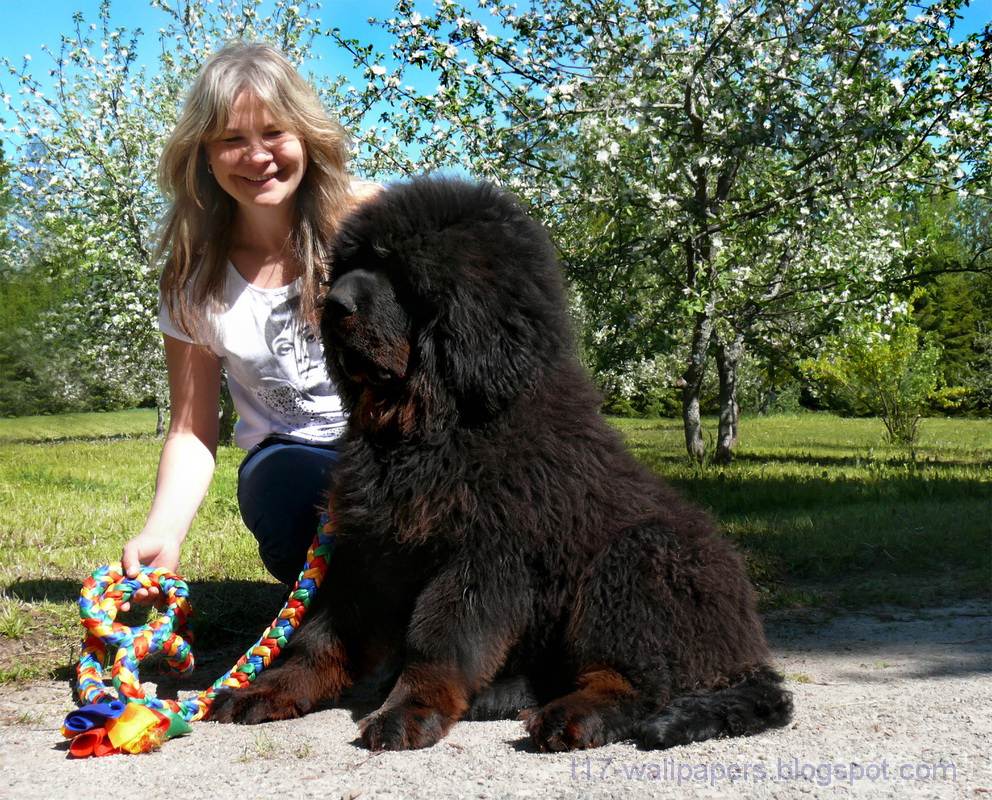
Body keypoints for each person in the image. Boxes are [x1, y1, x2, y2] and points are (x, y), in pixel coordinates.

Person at [120, 41, 379, 606]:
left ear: (306, 136)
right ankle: (343, 606)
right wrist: (163, 533)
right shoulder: (194, 279)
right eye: (233, 139)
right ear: (205, 156)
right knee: (287, 478)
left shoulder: (374, 226)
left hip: (393, 448)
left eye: (273, 133)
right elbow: (191, 430)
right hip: (292, 466)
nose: (257, 156)